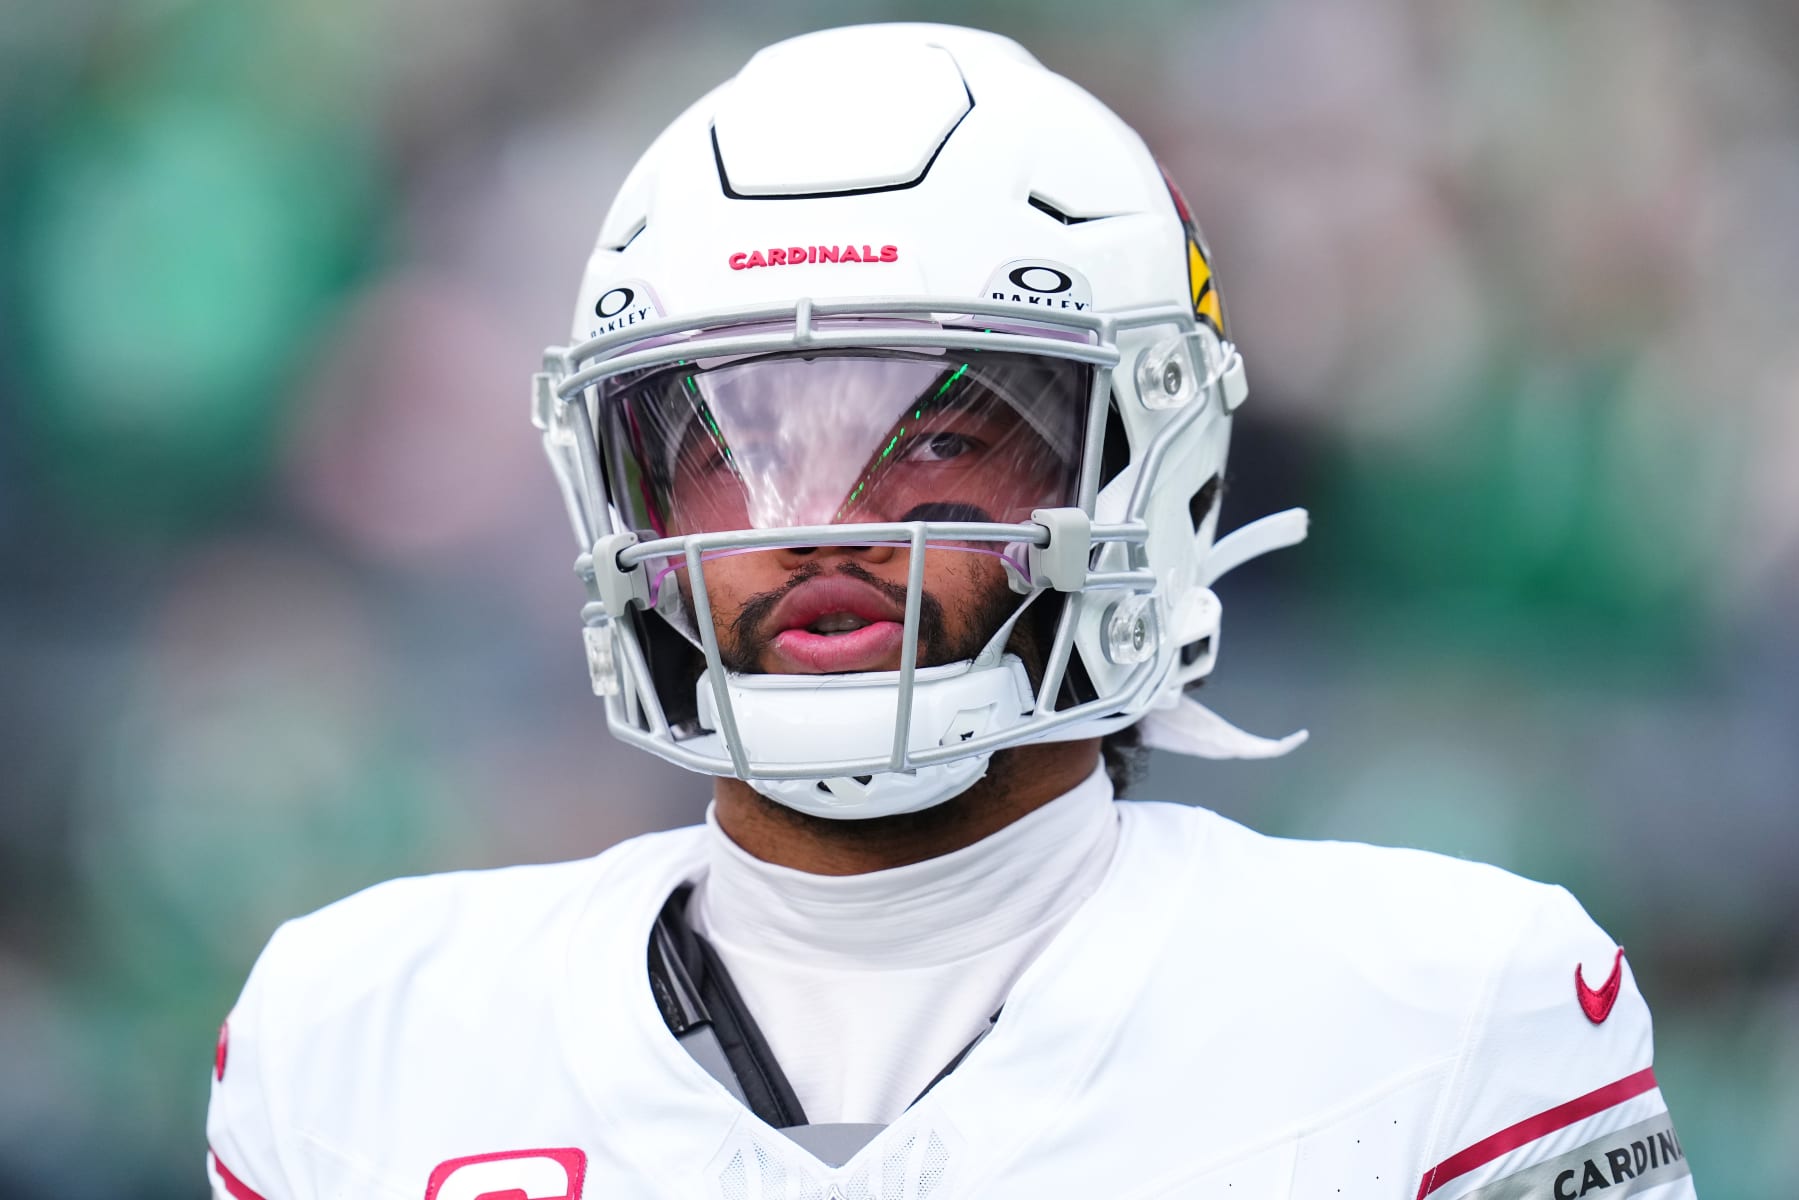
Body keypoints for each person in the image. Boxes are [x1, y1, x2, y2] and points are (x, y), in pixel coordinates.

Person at [206, 24, 1694, 1200]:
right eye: (731, 443)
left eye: (932, 433)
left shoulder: (1438, 1016)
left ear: (1140, 468)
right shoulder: (359, 1039)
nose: (818, 521)